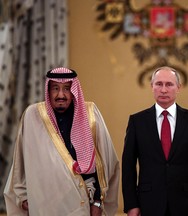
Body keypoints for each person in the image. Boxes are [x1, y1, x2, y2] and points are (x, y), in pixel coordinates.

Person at [4, 67, 120, 216]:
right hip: (44, 203)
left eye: (66, 88)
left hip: (81, 202)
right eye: (55, 88)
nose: (61, 95)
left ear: (74, 91)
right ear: (48, 90)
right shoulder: (32, 116)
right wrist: (23, 196)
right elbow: (20, 162)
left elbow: (104, 163)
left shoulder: (90, 114)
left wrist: (98, 201)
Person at [122, 66, 188, 216]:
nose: (163, 90)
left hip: (186, 203)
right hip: (148, 203)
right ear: (152, 87)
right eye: (159, 84)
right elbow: (128, 166)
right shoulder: (137, 122)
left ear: (178, 88)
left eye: (169, 84)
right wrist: (131, 204)